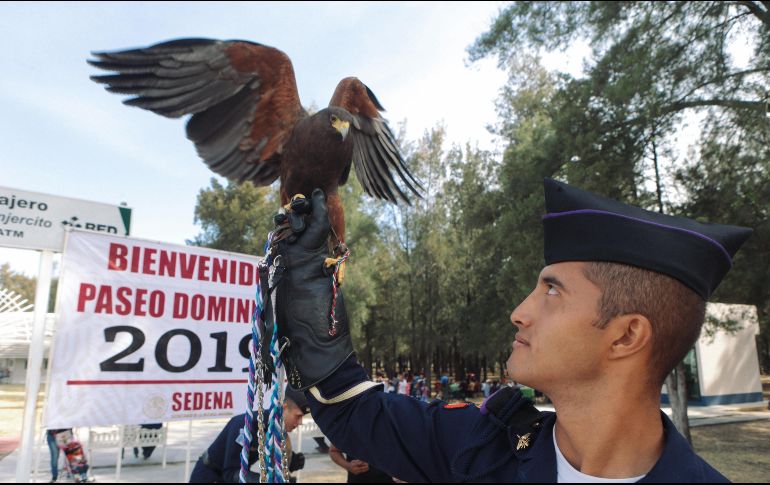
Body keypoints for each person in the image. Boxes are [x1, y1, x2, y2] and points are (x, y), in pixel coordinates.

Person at [271, 182, 752, 482]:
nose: (519, 312)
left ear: (626, 336)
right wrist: (316, 315)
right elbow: (357, 411)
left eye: (551, 291)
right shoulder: (483, 447)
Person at [189, 389, 309, 483]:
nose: (300, 423)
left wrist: (292, 462)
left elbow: (273, 462)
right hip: (209, 474)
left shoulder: (276, 431)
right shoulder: (246, 425)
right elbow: (231, 473)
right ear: (284, 408)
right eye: (298, 416)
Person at [329, 442, 393, 483]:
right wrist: (348, 465)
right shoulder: (349, 424)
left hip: (388, 478)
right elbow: (333, 451)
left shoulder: (389, 423)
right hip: (358, 479)